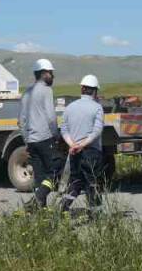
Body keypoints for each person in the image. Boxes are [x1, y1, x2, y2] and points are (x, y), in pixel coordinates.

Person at [17, 58, 62, 209]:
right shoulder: (46, 90)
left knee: (39, 177)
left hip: (31, 140)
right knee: (55, 172)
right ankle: (38, 198)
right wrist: (56, 135)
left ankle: (40, 211)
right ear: (43, 73)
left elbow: (21, 120)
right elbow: (50, 116)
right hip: (45, 139)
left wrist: (26, 140)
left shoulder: (27, 93)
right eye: (50, 73)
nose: (52, 76)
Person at [59, 74, 105, 213]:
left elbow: (64, 129)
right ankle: (95, 214)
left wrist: (73, 144)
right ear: (95, 91)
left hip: (74, 152)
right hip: (91, 152)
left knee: (75, 182)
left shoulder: (70, 108)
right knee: (93, 184)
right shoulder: (97, 108)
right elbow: (97, 131)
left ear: (82, 89)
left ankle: (63, 209)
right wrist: (83, 145)